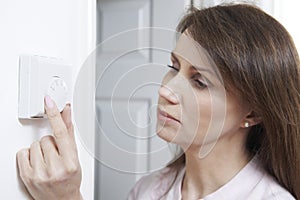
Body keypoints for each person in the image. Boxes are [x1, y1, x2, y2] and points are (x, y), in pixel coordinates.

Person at [17, 3, 300, 200]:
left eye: (199, 81)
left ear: (252, 113)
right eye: (174, 67)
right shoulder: (150, 191)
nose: (166, 90)